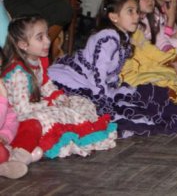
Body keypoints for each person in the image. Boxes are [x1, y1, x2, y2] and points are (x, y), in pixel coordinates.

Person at [48, 0, 177, 138]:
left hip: (97, 84)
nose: (136, 16)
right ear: (114, 17)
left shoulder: (122, 37)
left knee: (141, 98)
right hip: (77, 81)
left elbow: (111, 74)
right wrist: (103, 101)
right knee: (123, 111)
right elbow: (98, 74)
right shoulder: (107, 38)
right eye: (130, 11)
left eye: (137, 11)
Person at [1, 16, 117, 158]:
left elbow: (45, 84)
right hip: (18, 118)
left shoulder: (39, 59)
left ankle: (82, 127)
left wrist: (58, 97)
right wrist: (49, 103)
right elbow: (21, 110)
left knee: (80, 102)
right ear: (23, 45)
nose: (48, 41)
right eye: (40, 38)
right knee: (53, 114)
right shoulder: (18, 73)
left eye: (47, 35)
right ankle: (40, 143)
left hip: (36, 104)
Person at [121, 0, 177, 103]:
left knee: (175, 71)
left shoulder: (151, 17)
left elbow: (161, 39)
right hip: (136, 62)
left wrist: (173, 60)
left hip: (153, 56)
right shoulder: (129, 23)